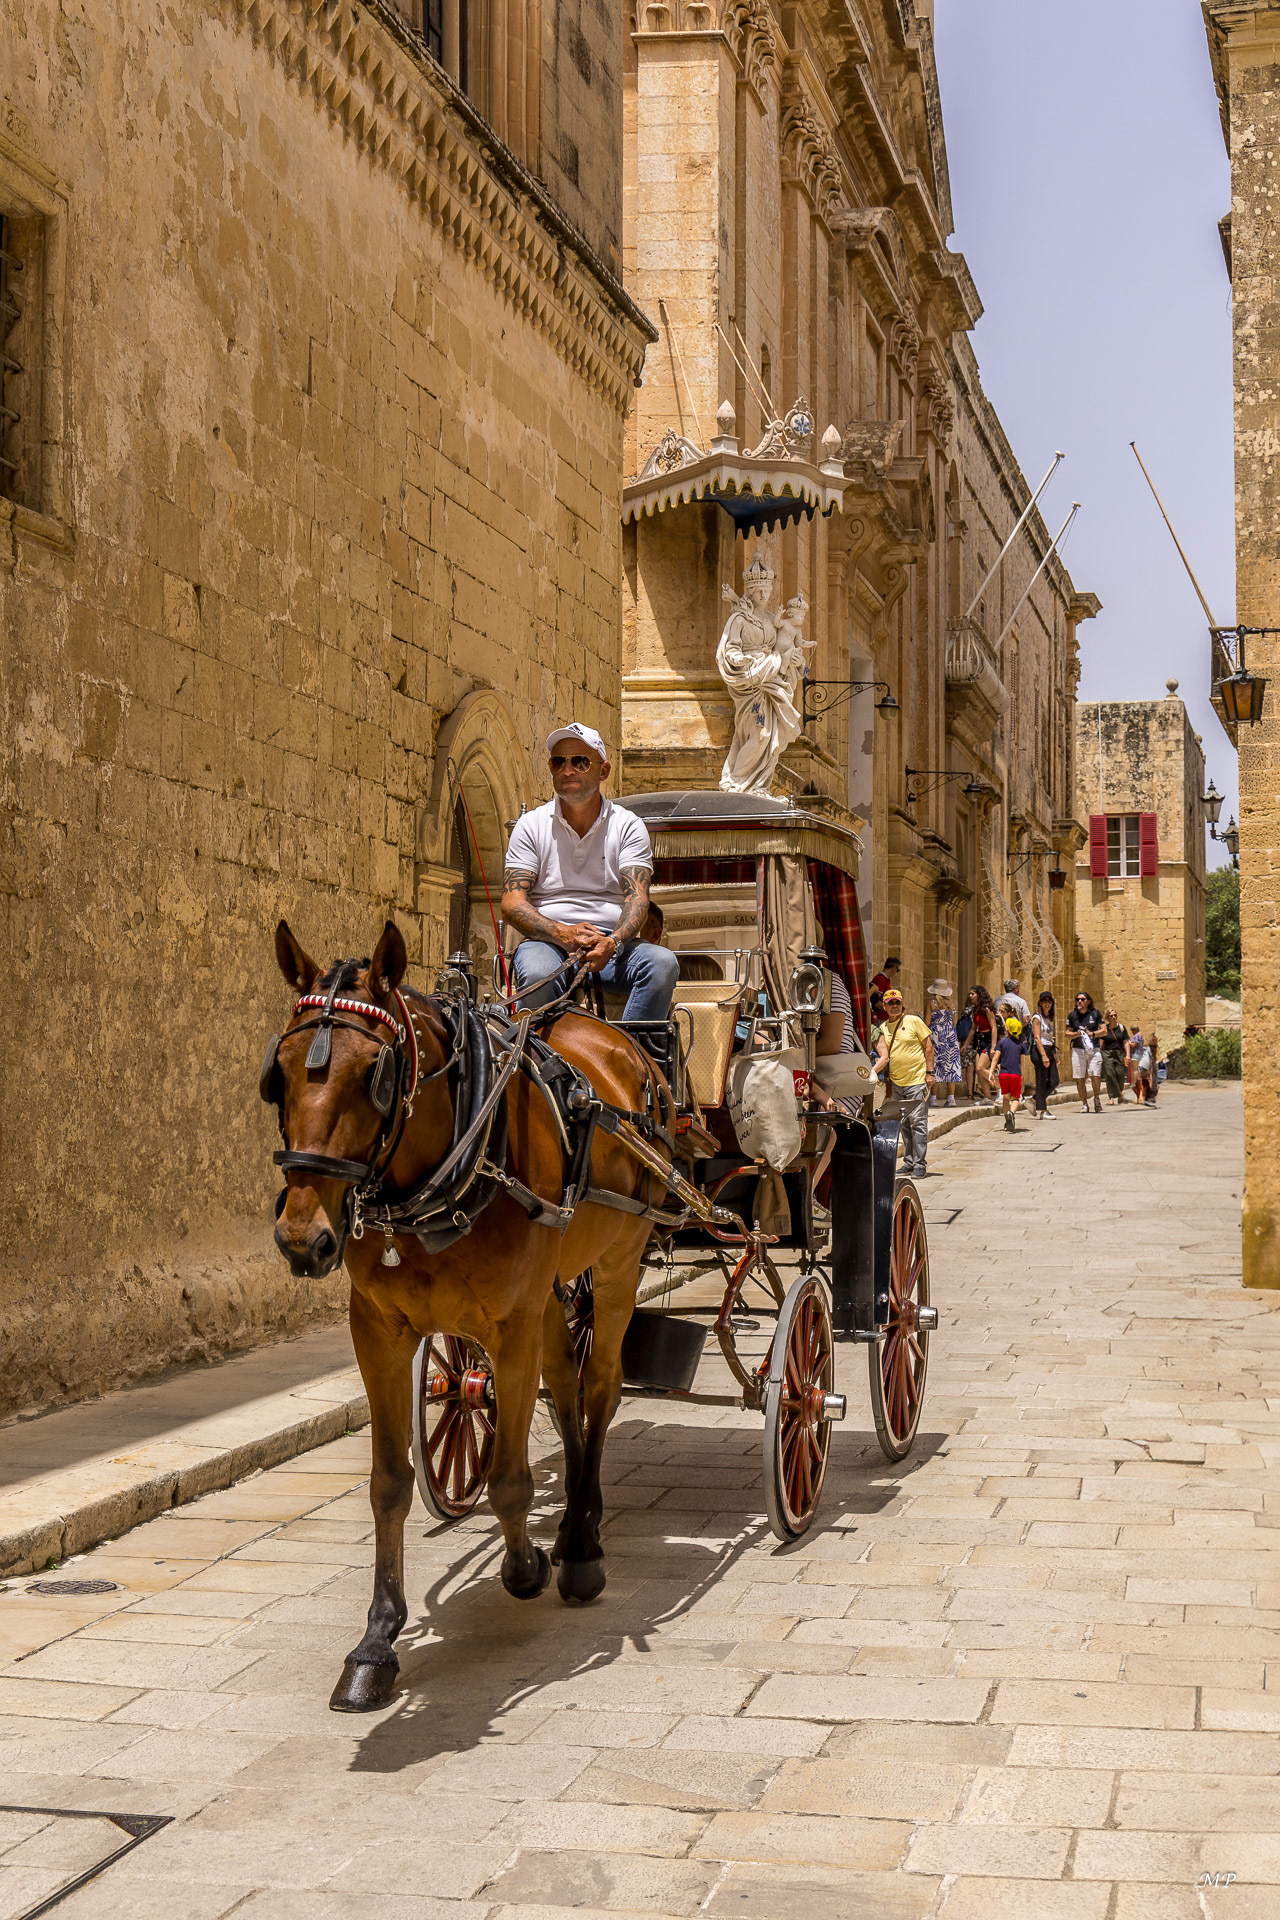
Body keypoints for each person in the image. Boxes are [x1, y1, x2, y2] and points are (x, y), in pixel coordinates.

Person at [501, 722, 678, 1020]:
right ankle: (537, 1058)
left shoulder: (627, 825)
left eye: (580, 762)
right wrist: (560, 932)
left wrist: (614, 941)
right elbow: (512, 901)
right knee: (536, 970)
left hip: (612, 944)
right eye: (560, 762)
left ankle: (634, 1055)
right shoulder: (531, 825)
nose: (568, 770)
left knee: (662, 964)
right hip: (548, 942)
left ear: (603, 771)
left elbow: (637, 899)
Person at [871, 987, 935, 1177]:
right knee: (904, 1124)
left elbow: (929, 1047)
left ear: (902, 1003)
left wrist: (930, 1073)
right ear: (884, 1006)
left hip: (917, 1080)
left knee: (918, 1123)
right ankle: (909, 1162)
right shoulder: (883, 1028)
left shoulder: (914, 1021)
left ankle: (920, 1164)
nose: (894, 1006)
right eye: (890, 1003)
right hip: (896, 1083)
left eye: (897, 1003)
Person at [956, 984, 997, 1103]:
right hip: (980, 1040)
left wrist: (993, 1046)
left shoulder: (987, 1010)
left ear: (979, 995)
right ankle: (988, 1097)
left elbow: (994, 1027)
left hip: (989, 1039)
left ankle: (1002, 1085)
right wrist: (965, 1044)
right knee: (978, 1071)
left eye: (972, 994)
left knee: (980, 1067)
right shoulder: (975, 1010)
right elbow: (973, 1028)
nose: (970, 996)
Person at [1067, 990, 1104, 1114]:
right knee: (1079, 1078)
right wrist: (1076, 1034)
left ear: (1088, 1001)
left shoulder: (1095, 1013)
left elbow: (1104, 1031)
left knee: (1095, 1074)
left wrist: (1092, 1033)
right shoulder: (1072, 1015)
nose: (1079, 1002)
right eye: (1078, 999)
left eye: (1082, 999)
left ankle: (1097, 1098)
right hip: (1078, 1049)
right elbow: (1067, 1033)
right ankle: (1084, 1104)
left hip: (1094, 1049)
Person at [926, 981, 962, 1107]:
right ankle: (951, 1098)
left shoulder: (932, 1003)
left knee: (936, 1064)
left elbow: (927, 1023)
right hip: (950, 1035)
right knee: (951, 1066)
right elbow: (953, 1021)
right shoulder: (952, 1004)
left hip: (936, 1035)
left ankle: (933, 1098)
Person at [993, 1014, 1028, 1133]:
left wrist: (991, 1071)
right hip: (1015, 1074)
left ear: (1007, 1029)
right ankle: (1011, 1113)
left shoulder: (1002, 1043)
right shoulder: (1021, 1045)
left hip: (1003, 1074)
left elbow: (996, 1057)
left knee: (1006, 1098)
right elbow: (1022, 1062)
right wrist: (1022, 1076)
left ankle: (1007, 1121)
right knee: (1016, 1098)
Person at [1032, 990, 1059, 1118]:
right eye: (1044, 1001)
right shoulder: (1037, 1018)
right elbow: (1037, 1038)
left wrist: (1053, 1055)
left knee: (1054, 1081)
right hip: (1039, 1050)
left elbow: (1050, 1038)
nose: (1047, 1004)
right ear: (1040, 1003)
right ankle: (1043, 1111)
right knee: (1041, 1080)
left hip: (1049, 1050)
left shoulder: (1048, 1018)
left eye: (1049, 1001)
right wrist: (1043, 1055)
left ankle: (1034, 1100)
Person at [1099, 1010, 1130, 1105]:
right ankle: (1112, 1097)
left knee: (1120, 1074)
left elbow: (1126, 1041)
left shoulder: (1121, 1028)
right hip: (1107, 1052)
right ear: (1108, 1017)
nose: (1113, 1017)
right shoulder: (1105, 1029)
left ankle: (1119, 1093)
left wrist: (1128, 1055)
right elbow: (1101, 1042)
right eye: (1111, 1016)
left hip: (1119, 1053)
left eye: (1115, 1015)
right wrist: (1098, 1055)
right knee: (1109, 1074)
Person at [1129, 1024, 1152, 1105]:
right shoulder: (1141, 1036)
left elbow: (1133, 1044)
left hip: (1136, 1054)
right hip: (1141, 1054)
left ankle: (1134, 1081)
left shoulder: (1136, 1036)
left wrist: (1127, 1041)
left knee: (1134, 1069)